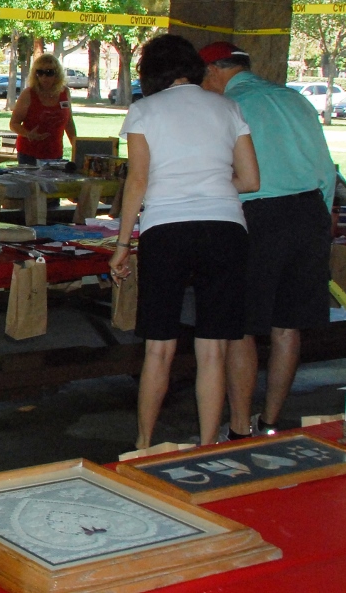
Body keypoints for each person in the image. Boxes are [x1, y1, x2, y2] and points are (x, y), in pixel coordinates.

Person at [108, 34, 259, 449]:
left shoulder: (144, 110)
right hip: (225, 228)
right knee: (213, 351)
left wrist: (122, 246)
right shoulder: (227, 107)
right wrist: (210, 186)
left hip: (166, 229)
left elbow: (138, 181)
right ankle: (207, 445)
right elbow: (250, 180)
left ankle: (143, 445)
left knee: (159, 348)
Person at [199, 41, 336, 439]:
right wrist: (322, 224)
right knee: (287, 326)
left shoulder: (228, 107)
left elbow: (220, 174)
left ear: (213, 71)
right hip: (310, 212)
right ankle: (271, 422)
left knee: (242, 326)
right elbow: (327, 169)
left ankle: (240, 428)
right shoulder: (295, 99)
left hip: (258, 216)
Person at [9, 52, 77, 165]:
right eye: (40, 73)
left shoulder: (65, 92)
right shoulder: (28, 94)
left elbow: (69, 122)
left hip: (55, 152)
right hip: (29, 153)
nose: (44, 77)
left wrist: (76, 146)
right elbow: (13, 123)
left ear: (57, 74)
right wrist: (28, 134)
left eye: (49, 72)